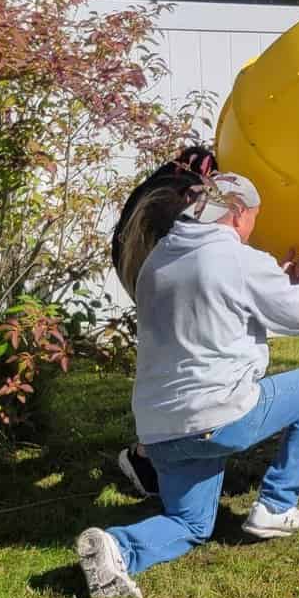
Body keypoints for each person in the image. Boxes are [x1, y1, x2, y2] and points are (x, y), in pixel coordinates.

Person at [75, 172, 299, 598]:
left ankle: (116, 547)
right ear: (237, 213)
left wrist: (275, 279)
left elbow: (220, 301)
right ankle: (276, 505)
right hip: (220, 416)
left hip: (159, 429)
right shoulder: (234, 256)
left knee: (192, 525)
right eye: (254, 218)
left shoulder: (157, 261)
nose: (252, 228)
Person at [108, 145, 217, 501]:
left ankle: (160, 454)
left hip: (155, 284)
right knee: (178, 370)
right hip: (161, 285)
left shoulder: (157, 195)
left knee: (176, 370)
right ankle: (147, 457)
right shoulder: (172, 204)